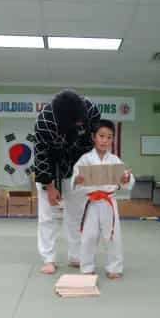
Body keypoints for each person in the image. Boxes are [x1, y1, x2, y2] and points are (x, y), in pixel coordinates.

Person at [34, 89, 101, 274]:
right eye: (76, 121)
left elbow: (95, 144)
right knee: (48, 214)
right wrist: (49, 186)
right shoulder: (45, 120)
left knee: (78, 214)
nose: (80, 123)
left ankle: (76, 256)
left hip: (78, 164)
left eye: (81, 120)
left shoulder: (91, 110)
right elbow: (41, 156)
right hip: (51, 163)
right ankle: (48, 258)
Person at [72, 119, 134, 278]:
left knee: (112, 235)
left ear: (113, 139)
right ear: (93, 137)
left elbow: (125, 179)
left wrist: (127, 179)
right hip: (91, 202)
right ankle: (87, 267)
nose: (105, 140)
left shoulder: (114, 160)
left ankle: (114, 268)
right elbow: (76, 179)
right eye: (101, 136)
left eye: (109, 137)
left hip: (108, 202)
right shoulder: (85, 159)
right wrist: (77, 180)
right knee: (88, 236)